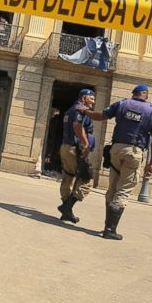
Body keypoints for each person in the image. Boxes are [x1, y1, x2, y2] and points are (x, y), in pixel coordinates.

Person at [81, 84, 152, 240]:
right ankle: (110, 230)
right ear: (145, 95)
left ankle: (107, 225)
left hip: (116, 150)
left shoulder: (122, 103)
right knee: (123, 190)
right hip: (134, 152)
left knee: (112, 188)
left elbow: (101, 116)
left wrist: (86, 112)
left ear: (134, 94)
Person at [57, 89, 96, 224]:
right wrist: (86, 144)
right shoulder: (79, 110)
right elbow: (77, 125)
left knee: (68, 178)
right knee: (86, 179)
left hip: (66, 147)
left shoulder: (70, 110)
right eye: (91, 98)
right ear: (84, 98)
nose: (93, 101)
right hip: (74, 149)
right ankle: (67, 207)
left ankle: (66, 211)